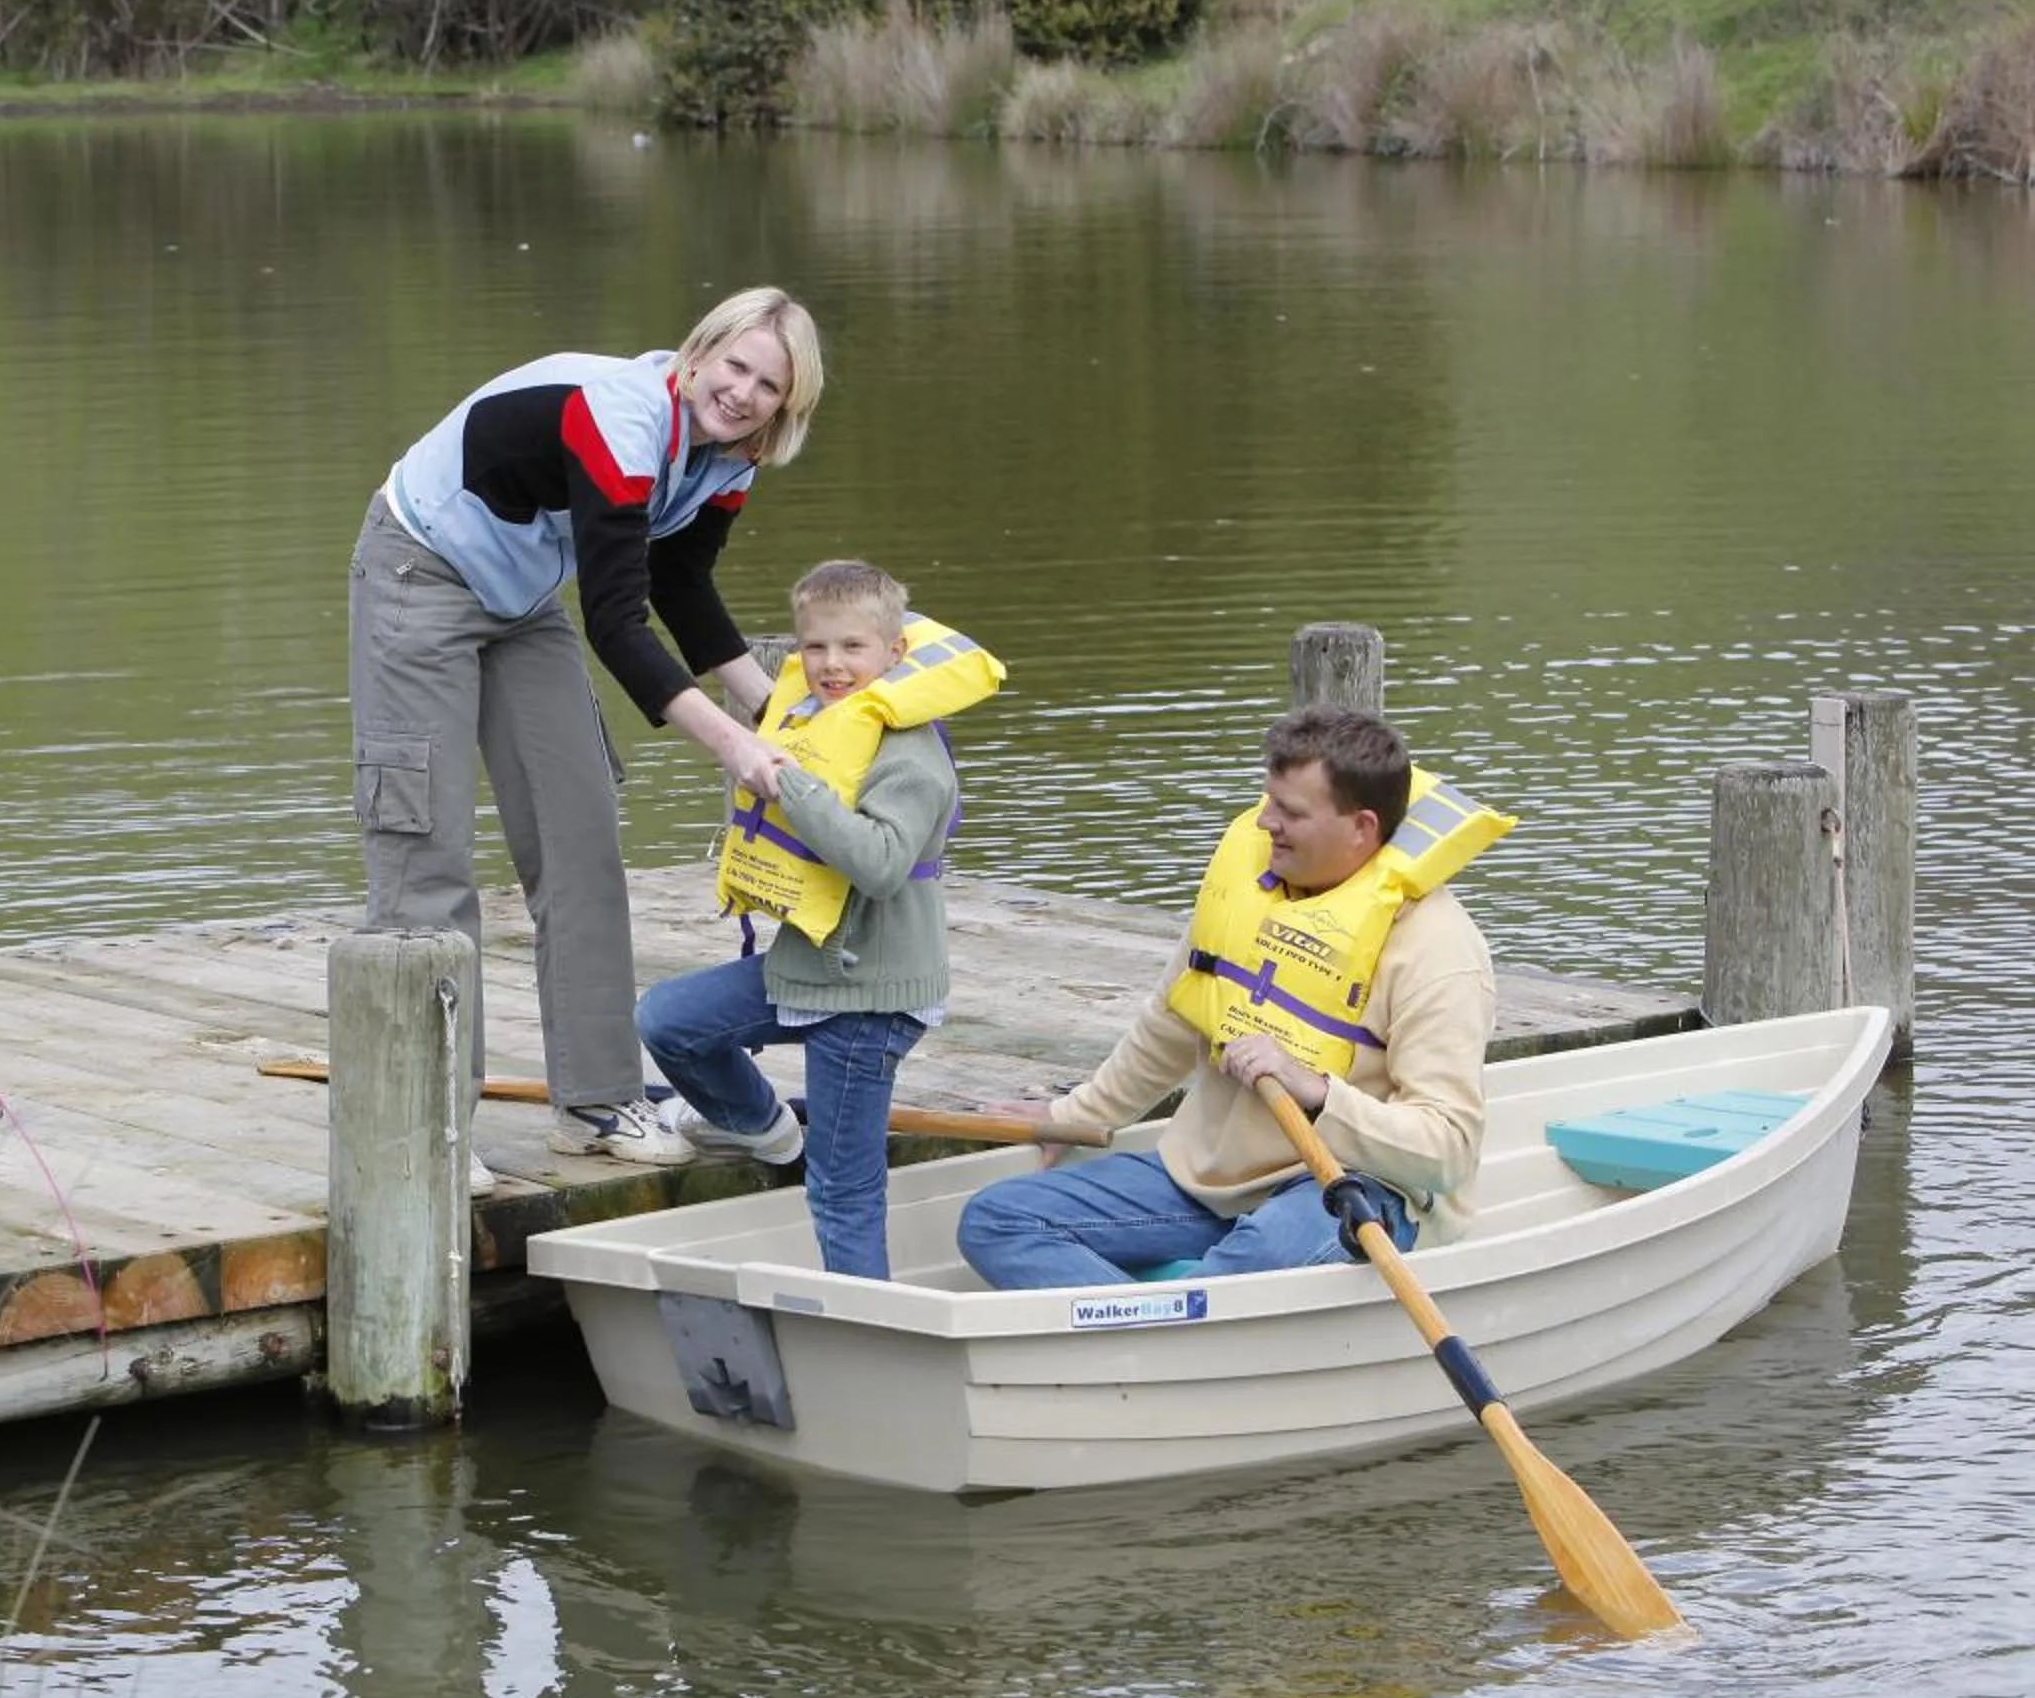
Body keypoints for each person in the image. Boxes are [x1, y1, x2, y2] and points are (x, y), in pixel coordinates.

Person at [350, 288, 824, 1176]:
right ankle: (429, 1131)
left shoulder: (730, 458)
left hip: (522, 597)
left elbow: (679, 586)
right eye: (735, 365)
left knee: (581, 838)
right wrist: (732, 745)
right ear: (697, 354)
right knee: (427, 852)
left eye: (769, 385)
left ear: (784, 407)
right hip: (421, 570)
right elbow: (616, 621)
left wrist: (768, 706)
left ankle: (597, 1105)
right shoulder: (620, 416)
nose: (743, 392)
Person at [956, 708, 1509, 1289]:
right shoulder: (1247, 891)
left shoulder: (1438, 951)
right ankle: (1146, 1347)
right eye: (1268, 800)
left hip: (1351, 1186)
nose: (1265, 822)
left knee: (1250, 1269)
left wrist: (1319, 1095)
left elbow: (1447, 1150)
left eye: (1292, 812)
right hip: (1212, 1181)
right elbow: (1171, 1023)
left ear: (1362, 828)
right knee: (997, 1219)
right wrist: (1075, 1118)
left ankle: (1147, 1344)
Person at [636, 561, 1003, 1279]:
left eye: (852, 648)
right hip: (810, 966)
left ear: (895, 655)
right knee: (668, 1019)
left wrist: (786, 785)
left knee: (843, 1190)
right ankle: (766, 1129)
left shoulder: (911, 760)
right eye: (815, 648)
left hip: (873, 998)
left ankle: (867, 1330)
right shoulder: (818, 725)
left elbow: (880, 864)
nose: (832, 665)